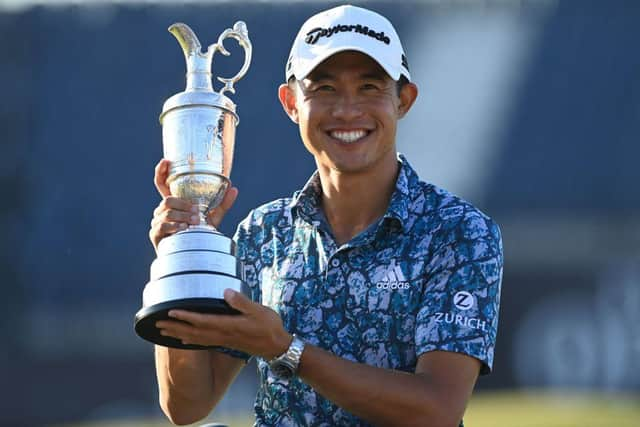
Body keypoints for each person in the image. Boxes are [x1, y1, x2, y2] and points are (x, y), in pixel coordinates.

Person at [149, 5, 503, 427]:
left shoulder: (460, 232)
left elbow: (437, 409)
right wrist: (181, 259)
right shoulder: (264, 233)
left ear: (403, 100)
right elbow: (187, 405)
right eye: (325, 88)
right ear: (291, 103)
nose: (347, 110)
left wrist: (287, 350)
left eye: (370, 87)